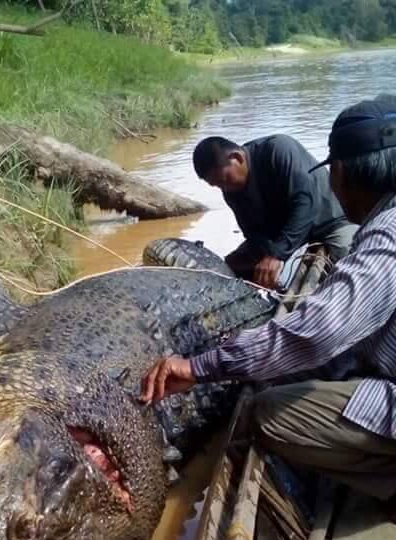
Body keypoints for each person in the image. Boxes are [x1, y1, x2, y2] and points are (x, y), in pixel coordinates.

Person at [142, 95, 396, 506]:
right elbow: (253, 235)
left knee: (266, 412)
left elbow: (321, 331)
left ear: (343, 173)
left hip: (324, 229)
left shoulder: (382, 235)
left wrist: (200, 365)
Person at [193, 133, 357, 289]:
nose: (224, 188)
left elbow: (305, 203)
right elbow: (252, 232)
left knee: (349, 262)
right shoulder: (230, 190)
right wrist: (264, 259)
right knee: (230, 265)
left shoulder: (278, 149)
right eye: (217, 185)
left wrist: (277, 255)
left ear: (237, 158)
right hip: (281, 232)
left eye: (225, 179)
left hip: (329, 221)